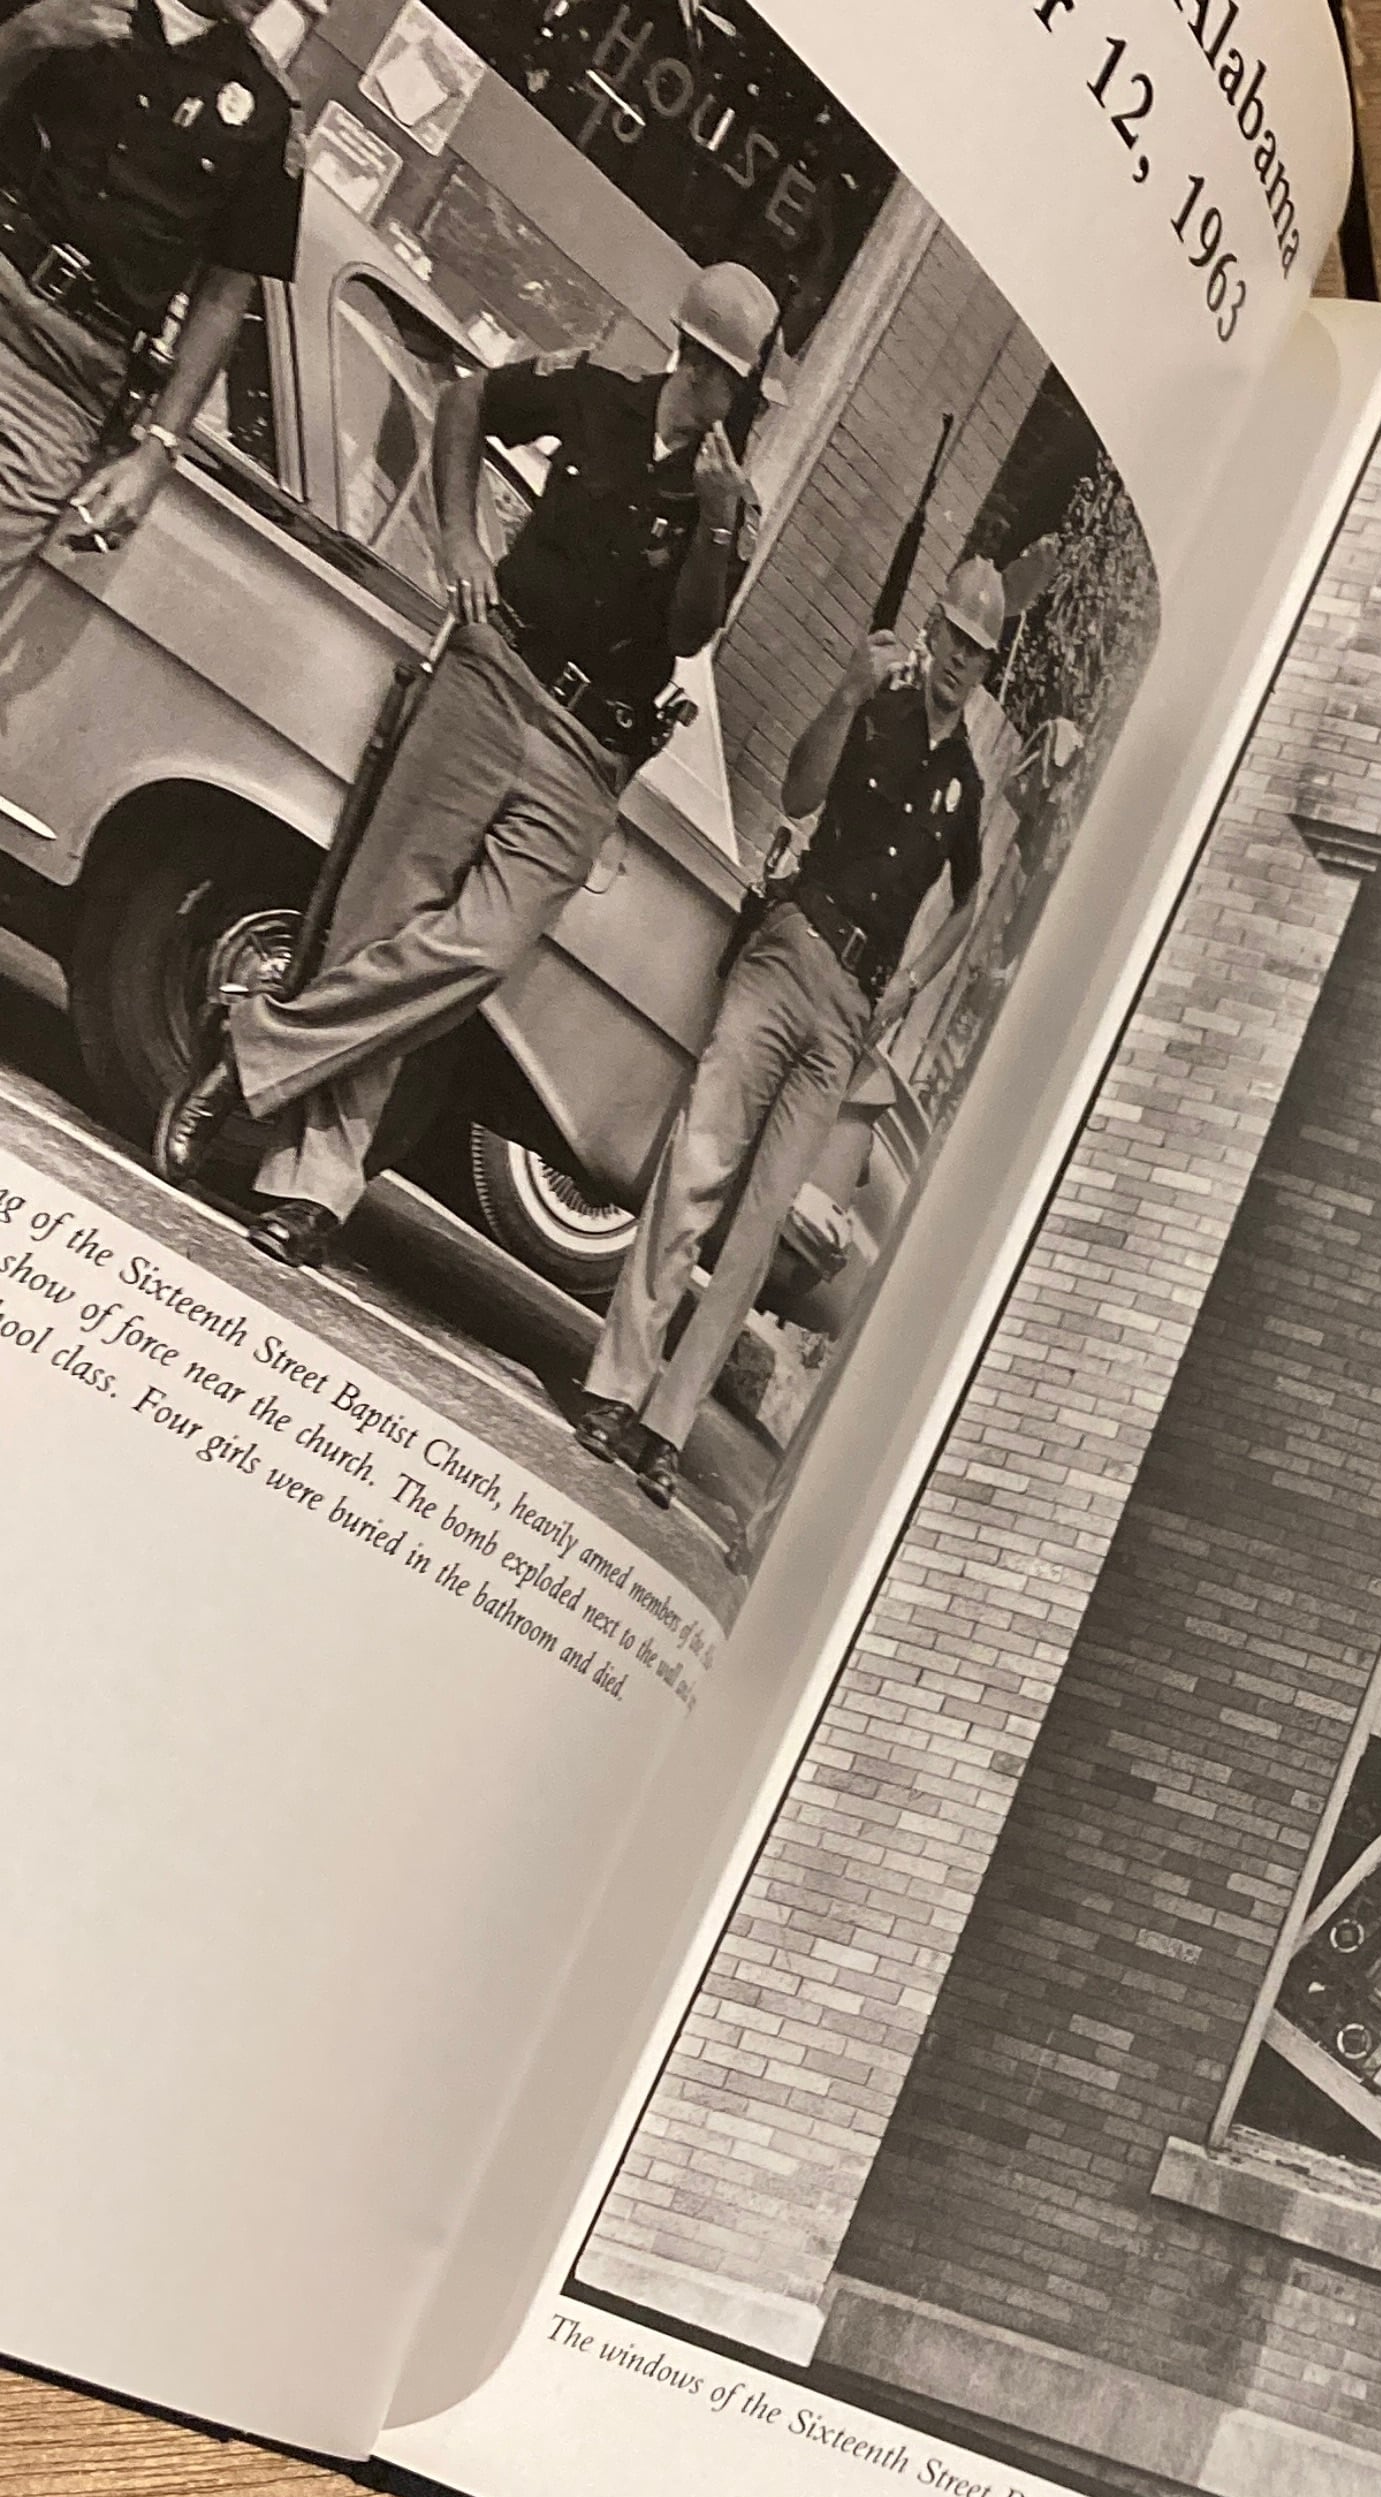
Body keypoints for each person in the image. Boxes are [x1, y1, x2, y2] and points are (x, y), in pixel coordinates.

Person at [155, 257, 781, 1266]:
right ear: (698, 360)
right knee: (382, 916)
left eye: (741, 389)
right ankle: (310, 1190)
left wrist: (713, 520)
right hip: (492, 677)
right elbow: (465, 403)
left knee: (481, 948)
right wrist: (459, 541)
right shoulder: (593, 397)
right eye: (729, 379)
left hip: (589, 746)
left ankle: (255, 1045)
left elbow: (691, 632)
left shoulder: (728, 502)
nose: (731, 402)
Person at [573, 549, 1020, 1507]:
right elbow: (798, 795)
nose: (958, 660)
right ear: (931, 628)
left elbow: (971, 901)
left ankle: (666, 1428)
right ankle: (614, 1390)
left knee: (763, 1221)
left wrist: (910, 986)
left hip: (853, 1007)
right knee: (699, 1166)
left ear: (988, 666)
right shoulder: (875, 707)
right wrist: (844, 695)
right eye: (953, 637)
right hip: (791, 952)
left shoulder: (966, 785)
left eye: (977, 651)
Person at [0, 0, 304, 596]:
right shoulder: (65, 6)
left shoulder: (266, 113)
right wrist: (28, 34)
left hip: (65, 381)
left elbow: (223, 296)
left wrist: (159, 449)